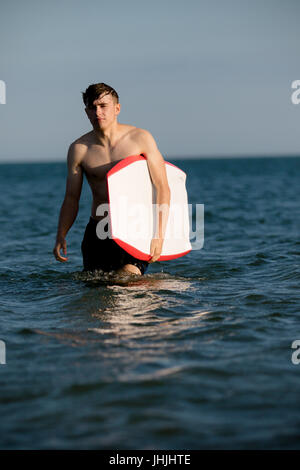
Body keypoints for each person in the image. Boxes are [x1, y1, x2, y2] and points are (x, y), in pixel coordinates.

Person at [53, 83, 171, 275]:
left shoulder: (140, 139)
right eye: (92, 107)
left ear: (117, 108)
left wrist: (159, 235)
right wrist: (61, 235)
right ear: (86, 112)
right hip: (99, 229)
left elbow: (162, 187)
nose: (98, 112)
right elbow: (71, 198)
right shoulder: (79, 149)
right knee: (98, 293)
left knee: (126, 278)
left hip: (133, 227)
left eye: (103, 106)